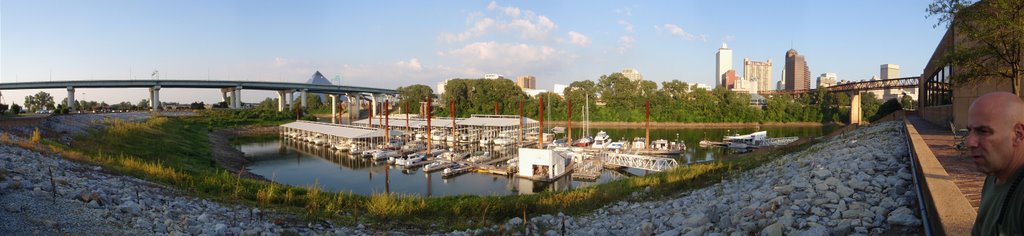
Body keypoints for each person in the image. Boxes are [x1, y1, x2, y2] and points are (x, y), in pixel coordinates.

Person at [967, 92, 1024, 235]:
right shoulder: (993, 178)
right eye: (970, 131)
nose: (969, 142)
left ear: (1018, 135)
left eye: (983, 131)